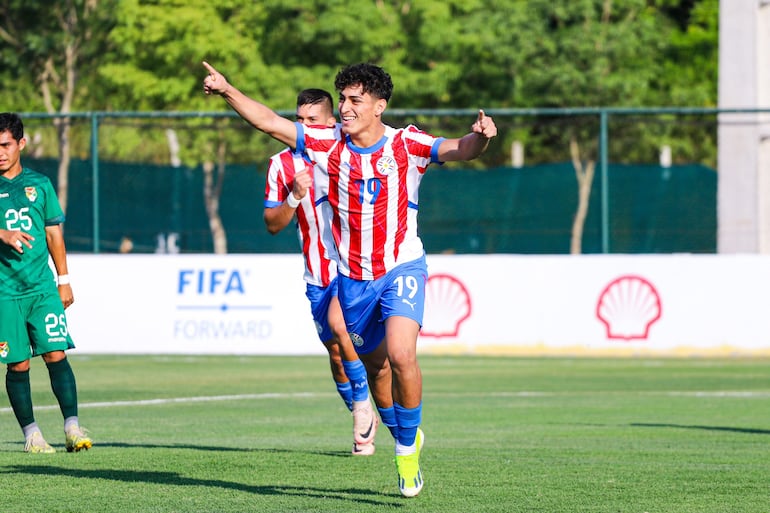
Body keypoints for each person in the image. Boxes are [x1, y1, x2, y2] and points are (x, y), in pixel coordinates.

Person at [202, 61, 497, 498]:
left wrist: (482, 137)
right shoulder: (326, 144)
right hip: (353, 279)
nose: (344, 108)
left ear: (379, 106)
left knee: (401, 354)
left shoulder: (406, 144)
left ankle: (405, 453)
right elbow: (268, 122)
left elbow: (459, 149)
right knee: (376, 368)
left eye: (354, 100)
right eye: (342, 99)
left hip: (402, 265)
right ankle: (402, 429)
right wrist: (228, 90)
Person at [263, 88, 378, 455]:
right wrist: (294, 196)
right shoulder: (280, 164)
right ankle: (362, 414)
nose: (302, 126)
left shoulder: (348, 150)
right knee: (334, 351)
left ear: (330, 123)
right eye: (298, 119)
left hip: (353, 266)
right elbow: (272, 224)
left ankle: (367, 409)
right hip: (316, 272)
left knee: (345, 332)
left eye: (311, 121)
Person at [0, 112, 92, 454]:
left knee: (55, 353)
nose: (0, 152)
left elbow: (54, 233)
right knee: (18, 363)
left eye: (6, 144)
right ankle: (32, 435)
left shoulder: (40, 185)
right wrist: (3, 234)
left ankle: (72, 428)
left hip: (41, 287)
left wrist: (64, 280)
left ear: (21, 144)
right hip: (5, 293)